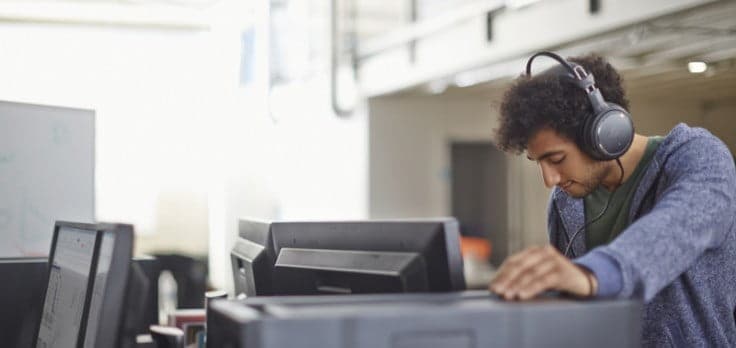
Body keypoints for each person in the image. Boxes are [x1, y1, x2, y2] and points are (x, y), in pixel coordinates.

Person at [489, 52, 736, 346]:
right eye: (538, 162)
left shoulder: (698, 157)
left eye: (556, 159)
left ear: (602, 133)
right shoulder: (565, 203)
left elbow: (672, 232)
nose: (549, 180)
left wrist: (592, 274)